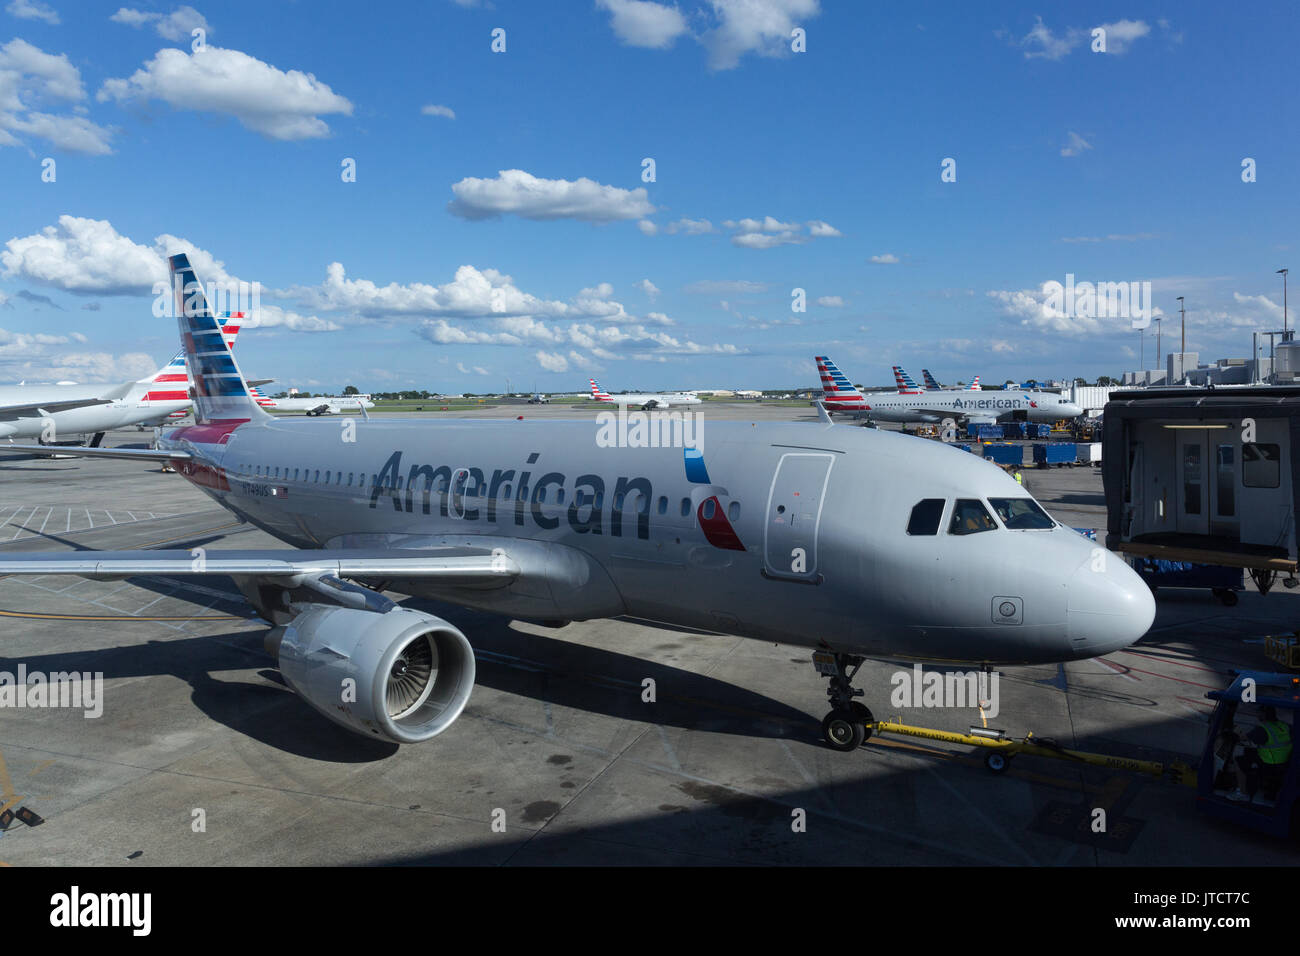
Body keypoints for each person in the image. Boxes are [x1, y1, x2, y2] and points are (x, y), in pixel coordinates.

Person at [1236, 706, 1293, 803]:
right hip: (1284, 762)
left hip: (1269, 764)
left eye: (1259, 713)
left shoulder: (1263, 729)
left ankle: (1242, 793)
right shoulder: (1284, 726)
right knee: (1249, 752)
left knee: (1239, 760)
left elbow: (1243, 738)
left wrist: (1236, 733)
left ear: (1264, 715)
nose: (1257, 715)